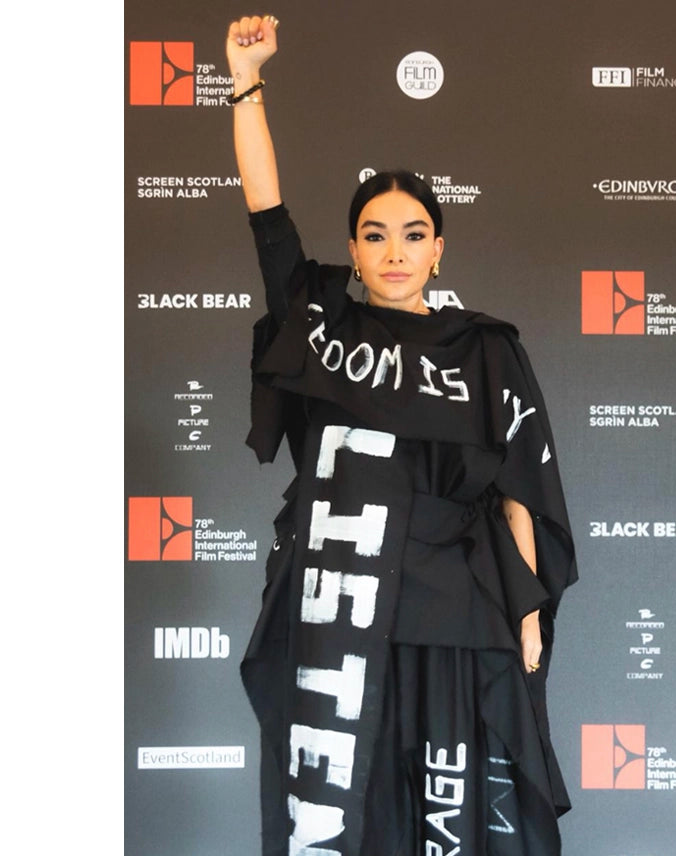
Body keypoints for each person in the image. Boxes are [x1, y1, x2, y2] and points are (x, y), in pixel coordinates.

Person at [229, 14, 578, 856]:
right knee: (352, 809)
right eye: (376, 234)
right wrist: (246, 80)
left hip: (455, 605)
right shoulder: (319, 325)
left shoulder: (484, 349)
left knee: (448, 812)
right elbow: (267, 213)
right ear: (353, 248)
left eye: (413, 234)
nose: (394, 251)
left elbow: (516, 489)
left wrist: (528, 613)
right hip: (342, 606)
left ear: (438, 250)